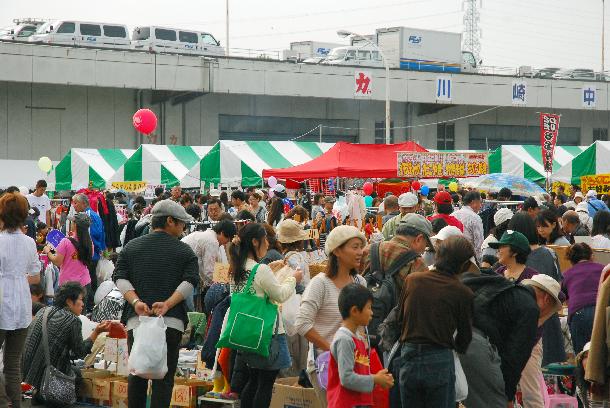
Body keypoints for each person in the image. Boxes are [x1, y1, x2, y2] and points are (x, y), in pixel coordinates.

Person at [112, 200, 199, 408]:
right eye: (181, 224)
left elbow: (119, 277)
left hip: (137, 321)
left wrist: (135, 302)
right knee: (164, 379)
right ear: (170, 221)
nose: (183, 229)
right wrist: (168, 304)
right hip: (171, 323)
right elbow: (190, 282)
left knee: (137, 375)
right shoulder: (184, 251)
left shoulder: (131, 247)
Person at [228, 223, 299, 408]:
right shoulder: (260, 270)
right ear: (254, 241)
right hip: (268, 334)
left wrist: (271, 270)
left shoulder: (236, 269)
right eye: (264, 239)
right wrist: (293, 278)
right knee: (265, 383)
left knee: (253, 380)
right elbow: (280, 295)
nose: (267, 243)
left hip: (246, 333)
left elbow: (257, 290)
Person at [398, 236, 474, 408]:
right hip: (439, 357)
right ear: (463, 265)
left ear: (438, 256)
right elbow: (465, 337)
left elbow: (399, 319)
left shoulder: (413, 280)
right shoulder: (463, 292)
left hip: (409, 356)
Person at [295, 225, 367, 405]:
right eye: (354, 247)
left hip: (356, 363)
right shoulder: (320, 284)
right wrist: (333, 349)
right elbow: (302, 324)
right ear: (337, 251)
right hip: (326, 364)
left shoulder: (360, 282)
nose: (360, 252)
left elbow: (362, 326)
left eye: (361, 246)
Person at [22, 282, 111, 405]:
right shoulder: (72, 320)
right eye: (80, 299)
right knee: (78, 375)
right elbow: (79, 352)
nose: (83, 304)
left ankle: (39, 396)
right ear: (69, 301)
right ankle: (60, 402)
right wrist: (96, 332)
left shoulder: (43, 311)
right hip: (46, 376)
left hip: (26, 373)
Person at [0, 192, 41, 408]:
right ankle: (15, 403)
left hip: (2, 302)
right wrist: (18, 277)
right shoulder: (29, 243)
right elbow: (35, 275)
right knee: (13, 362)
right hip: (22, 303)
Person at [327, 283, 394, 408]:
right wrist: (375, 379)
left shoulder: (356, 337)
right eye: (369, 308)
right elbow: (346, 378)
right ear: (354, 311)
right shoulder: (344, 339)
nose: (372, 313)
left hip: (358, 403)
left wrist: (379, 378)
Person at [181, 219, 237, 309]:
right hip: (182, 271)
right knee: (189, 307)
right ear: (222, 233)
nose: (227, 243)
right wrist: (222, 285)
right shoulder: (212, 241)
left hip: (184, 268)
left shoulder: (209, 236)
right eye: (228, 239)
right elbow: (209, 272)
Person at [561, 243, 603, 354]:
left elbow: (563, 297)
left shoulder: (566, 274)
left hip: (579, 314)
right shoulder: (603, 269)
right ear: (591, 256)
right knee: (604, 352)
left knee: (582, 355)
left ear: (570, 260)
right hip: (601, 311)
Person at [72, 193, 106, 311]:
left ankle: (90, 307)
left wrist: (92, 250)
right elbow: (102, 235)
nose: (73, 205)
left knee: (88, 281)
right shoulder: (94, 215)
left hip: (90, 255)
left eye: (76, 203)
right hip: (95, 254)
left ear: (83, 203)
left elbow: (91, 236)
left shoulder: (87, 216)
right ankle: (92, 305)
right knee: (91, 280)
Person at [43, 212, 93, 293]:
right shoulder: (89, 242)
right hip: (85, 283)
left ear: (75, 225)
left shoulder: (66, 241)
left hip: (68, 285)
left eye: (72, 222)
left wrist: (48, 251)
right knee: (81, 305)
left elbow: (57, 262)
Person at [452, 191, 484, 261]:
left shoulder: (453, 215)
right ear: (474, 202)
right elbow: (479, 243)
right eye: (480, 202)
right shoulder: (475, 218)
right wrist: (478, 261)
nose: (481, 206)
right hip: (469, 258)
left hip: (453, 255)